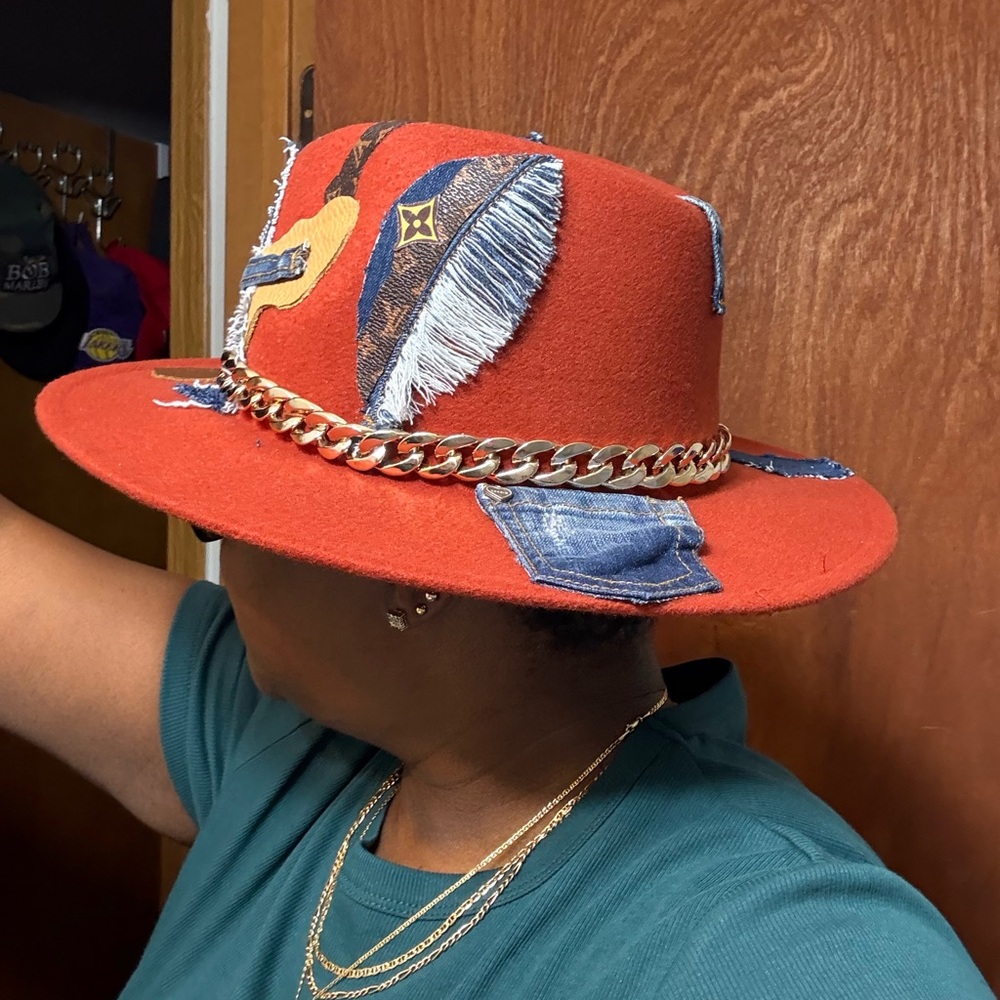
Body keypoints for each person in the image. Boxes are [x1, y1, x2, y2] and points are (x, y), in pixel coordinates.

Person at [2, 121, 993, 999]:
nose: (217, 543)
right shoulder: (300, 739)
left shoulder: (781, 943)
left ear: (410, 573)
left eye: (240, 516)